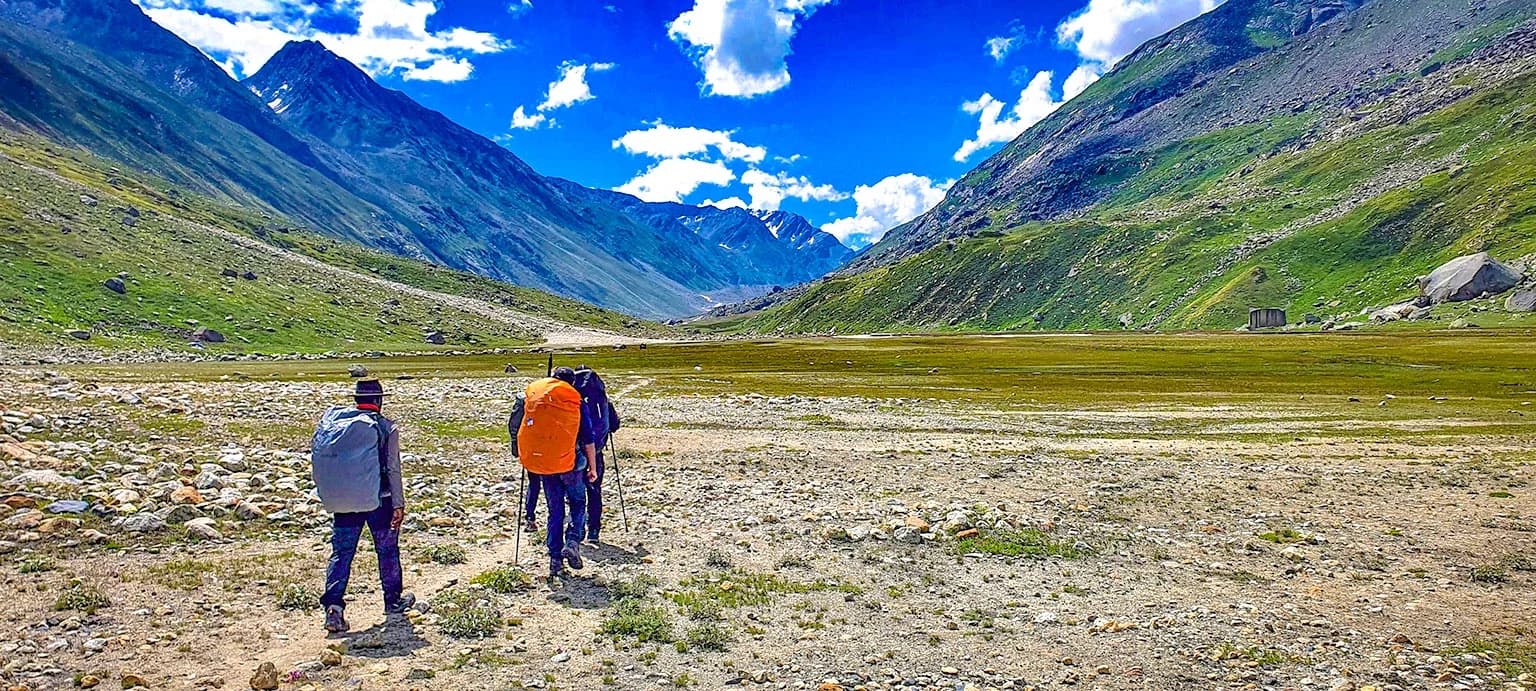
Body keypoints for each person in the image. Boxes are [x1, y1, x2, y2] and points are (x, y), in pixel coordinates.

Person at [313, 379, 414, 633]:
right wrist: (399, 504)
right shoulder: (385, 427)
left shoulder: (341, 425)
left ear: (357, 400)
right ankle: (392, 600)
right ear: (379, 400)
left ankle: (334, 610)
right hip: (380, 499)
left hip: (344, 500)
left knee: (342, 553)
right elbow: (393, 468)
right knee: (387, 550)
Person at [511, 367, 598, 579]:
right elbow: (588, 439)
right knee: (578, 503)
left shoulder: (534, 397)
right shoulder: (575, 402)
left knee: (554, 510)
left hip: (544, 463)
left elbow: (518, 424)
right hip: (571, 464)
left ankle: (555, 559)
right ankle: (572, 542)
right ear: (572, 384)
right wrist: (593, 468)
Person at [572, 365, 620, 543]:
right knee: (594, 490)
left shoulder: (572, 399)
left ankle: (577, 528)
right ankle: (594, 530)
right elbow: (614, 425)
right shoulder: (603, 400)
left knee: (574, 492)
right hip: (597, 452)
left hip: (574, 452)